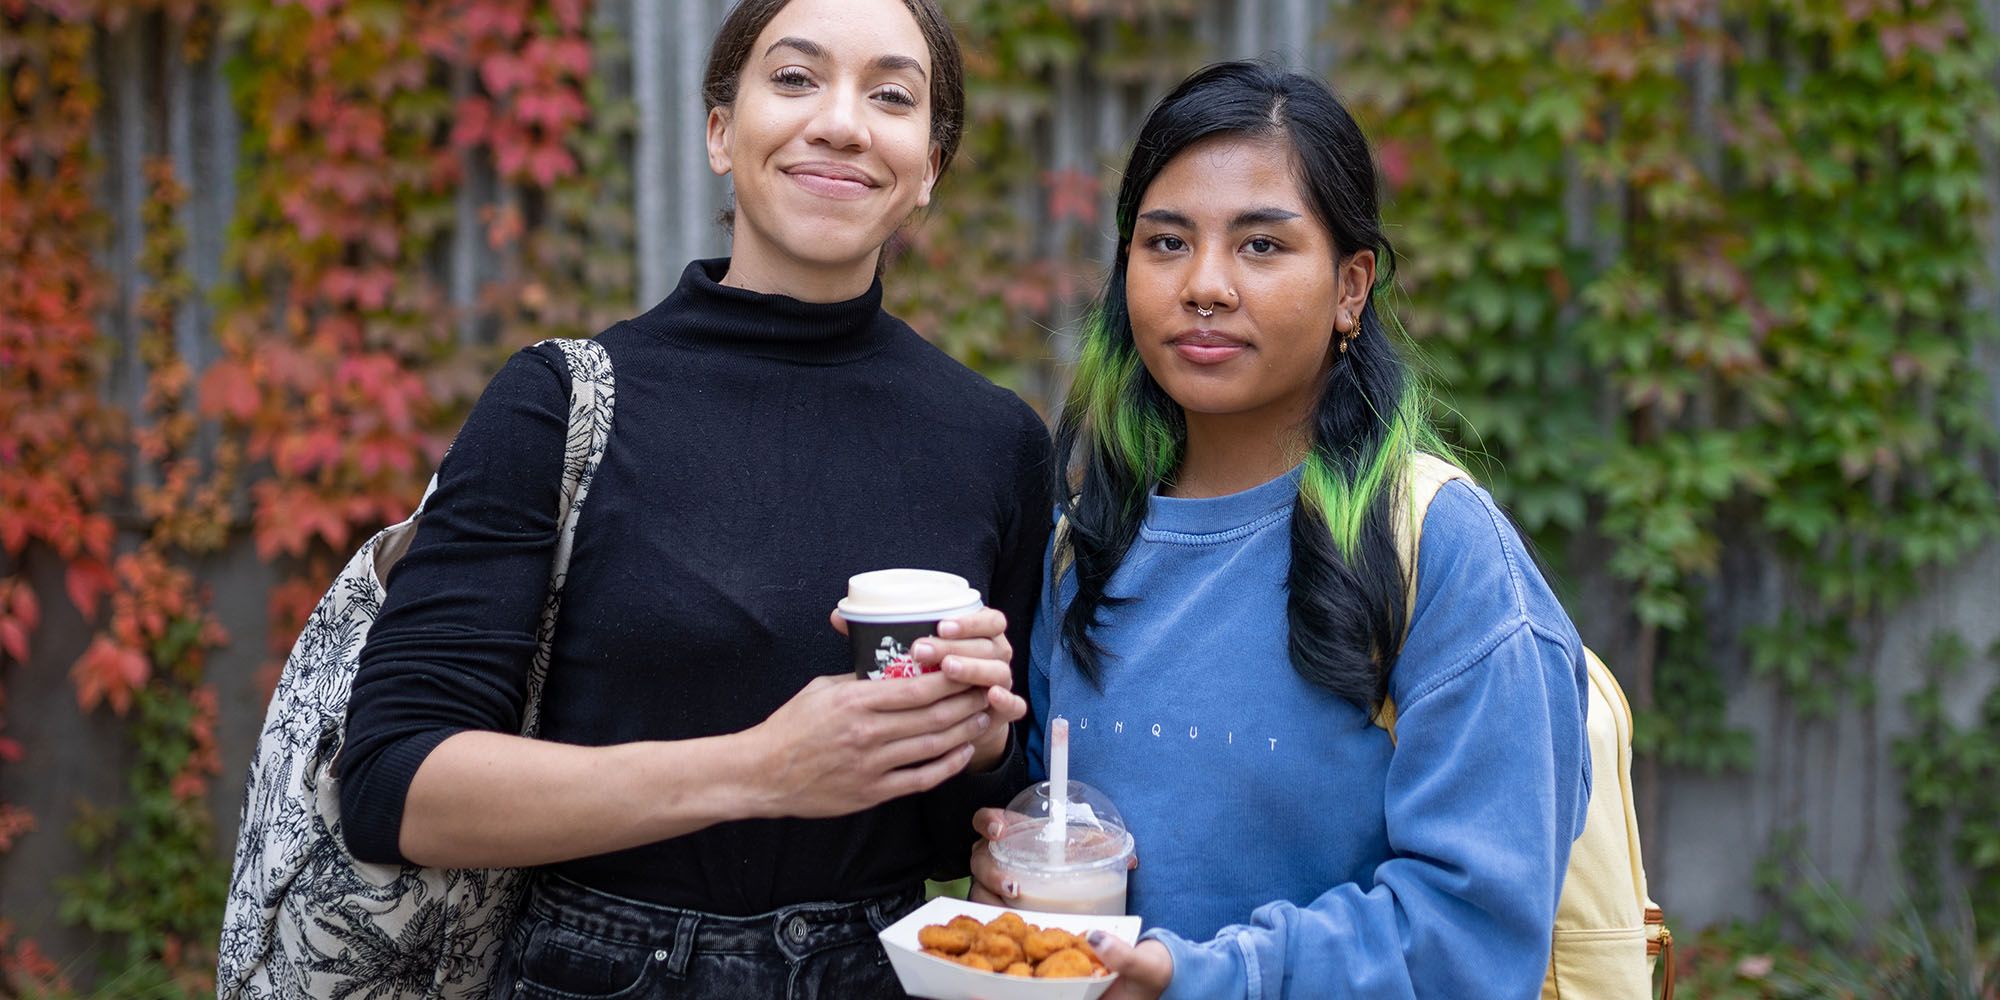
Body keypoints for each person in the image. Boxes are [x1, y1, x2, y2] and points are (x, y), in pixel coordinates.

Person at [337, 1, 1052, 996]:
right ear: (722, 131)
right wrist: (758, 768)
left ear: (927, 164)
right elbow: (394, 786)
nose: (842, 121)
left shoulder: (994, 441)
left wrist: (974, 743)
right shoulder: (559, 404)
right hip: (592, 969)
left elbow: (943, 835)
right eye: (795, 78)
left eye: (889, 95)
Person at [968, 61, 1591, 999]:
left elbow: (1475, 929)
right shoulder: (1085, 543)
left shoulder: (1437, 550)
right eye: (1166, 242)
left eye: (1261, 246)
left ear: (1351, 289)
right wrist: (1007, 830)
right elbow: (1058, 817)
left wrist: (1207, 975)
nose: (1206, 285)